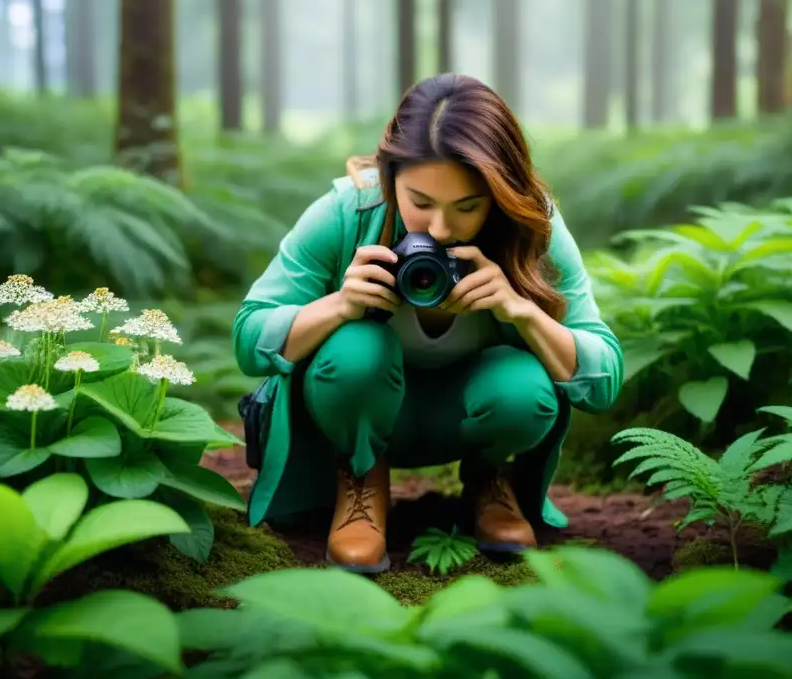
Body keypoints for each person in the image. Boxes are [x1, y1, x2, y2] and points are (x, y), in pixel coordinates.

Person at [232, 73, 623, 574]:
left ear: (500, 193)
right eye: (420, 203)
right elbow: (248, 336)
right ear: (388, 174)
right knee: (352, 351)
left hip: (471, 416)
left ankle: (490, 480)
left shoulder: (530, 226)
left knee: (524, 385)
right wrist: (340, 305)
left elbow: (605, 377)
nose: (440, 229)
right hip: (357, 410)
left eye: (468, 207)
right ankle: (360, 480)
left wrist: (522, 311)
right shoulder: (349, 210)